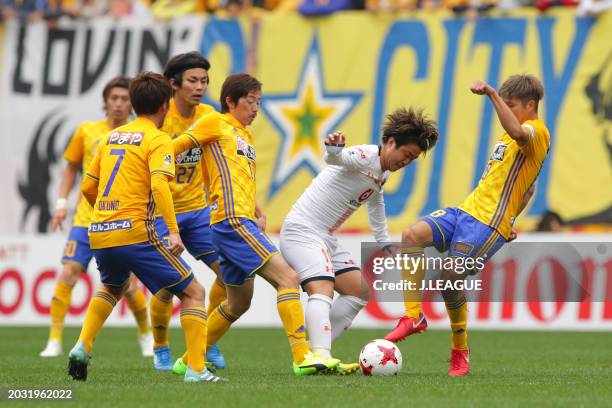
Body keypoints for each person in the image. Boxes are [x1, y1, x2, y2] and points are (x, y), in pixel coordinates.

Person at [172, 73, 340, 376]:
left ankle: (188, 359)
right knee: (288, 278)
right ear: (230, 102)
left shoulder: (244, 135)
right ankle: (302, 356)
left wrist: (258, 210)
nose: (256, 108)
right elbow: (177, 146)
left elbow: (237, 180)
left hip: (238, 220)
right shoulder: (214, 122)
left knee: (238, 303)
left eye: (259, 102)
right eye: (250, 101)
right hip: (231, 221)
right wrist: (155, 170)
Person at [384, 74, 550, 377]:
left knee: (451, 276)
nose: (507, 110)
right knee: (411, 235)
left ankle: (460, 350)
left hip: (488, 223)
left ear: (530, 105)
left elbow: (517, 131)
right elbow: (528, 188)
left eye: (512, 105)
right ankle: (412, 317)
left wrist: (489, 92)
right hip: (465, 211)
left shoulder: (536, 132)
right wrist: (516, 212)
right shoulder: (509, 140)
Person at [67, 72, 225, 383]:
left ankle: (82, 346)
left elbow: (87, 186)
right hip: (136, 232)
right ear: (166, 105)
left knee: (112, 287)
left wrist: (105, 210)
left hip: (99, 231)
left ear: (134, 104)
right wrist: (173, 230)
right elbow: (160, 185)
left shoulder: (112, 137)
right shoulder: (158, 139)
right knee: (193, 292)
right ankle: (196, 369)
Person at [280, 107, 438, 374]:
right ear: (390, 142)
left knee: (358, 291)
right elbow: (338, 159)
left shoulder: (381, 173)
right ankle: (319, 355)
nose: (405, 162)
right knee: (323, 289)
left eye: (411, 159)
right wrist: (333, 149)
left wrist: (384, 241)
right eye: (406, 155)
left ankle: (311, 348)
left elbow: (376, 205)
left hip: (324, 236)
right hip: (302, 230)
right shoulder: (365, 156)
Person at [40, 76, 153, 358]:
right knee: (69, 272)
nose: (118, 104)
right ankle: (54, 340)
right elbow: (70, 169)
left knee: (127, 287)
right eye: (113, 98)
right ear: (105, 102)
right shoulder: (88, 131)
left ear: (133, 104)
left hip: (121, 221)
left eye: (124, 99)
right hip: (85, 218)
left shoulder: (141, 135)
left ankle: (146, 334)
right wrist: (61, 203)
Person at [148, 52, 227, 372]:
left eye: (205, 81)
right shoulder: (158, 119)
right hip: (159, 213)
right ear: (173, 84)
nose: (200, 87)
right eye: (193, 80)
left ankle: (207, 339)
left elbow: (225, 163)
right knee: (170, 285)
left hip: (197, 212)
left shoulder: (208, 114)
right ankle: (160, 346)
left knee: (228, 273)